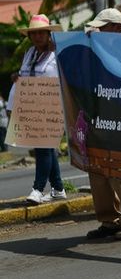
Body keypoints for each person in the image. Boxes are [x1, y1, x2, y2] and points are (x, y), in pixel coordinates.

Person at [81, 9, 121, 240]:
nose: (98, 31)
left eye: (103, 27)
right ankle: (109, 219)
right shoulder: (94, 51)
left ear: (118, 28)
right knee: (98, 172)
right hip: (97, 118)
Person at [15, 14, 66, 205]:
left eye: (41, 33)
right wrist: (16, 76)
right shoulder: (29, 53)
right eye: (34, 33)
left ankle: (37, 189)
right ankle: (59, 188)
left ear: (49, 34)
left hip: (53, 106)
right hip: (32, 106)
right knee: (45, 147)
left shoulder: (58, 52)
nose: (37, 36)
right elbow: (25, 74)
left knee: (44, 148)